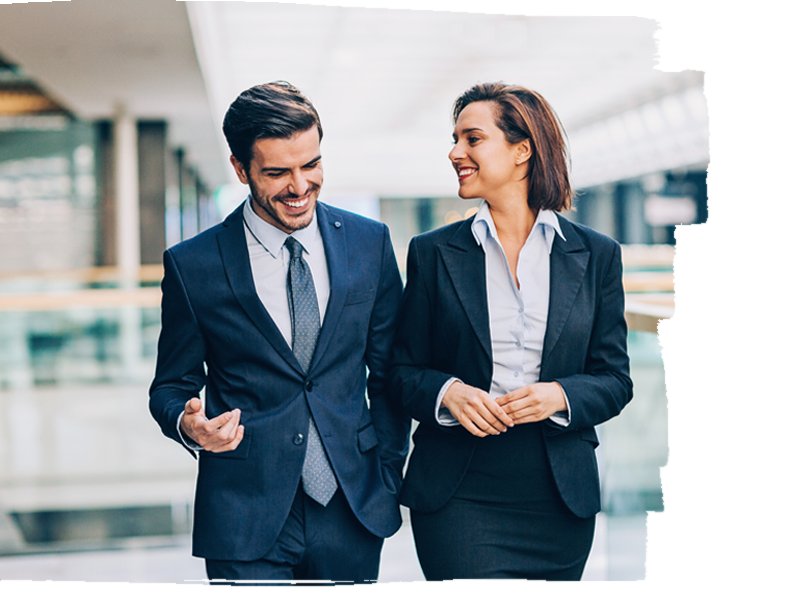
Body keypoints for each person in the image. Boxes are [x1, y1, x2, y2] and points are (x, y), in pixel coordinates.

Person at [149, 81, 409, 583]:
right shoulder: (193, 265)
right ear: (240, 169)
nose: (299, 186)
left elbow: (390, 371)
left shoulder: (368, 243)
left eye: (310, 165)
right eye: (277, 172)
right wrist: (189, 426)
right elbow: (170, 385)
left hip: (351, 502)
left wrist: (387, 471)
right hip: (244, 509)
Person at [390, 82, 633, 580]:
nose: (455, 152)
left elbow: (615, 380)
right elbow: (399, 371)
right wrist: (448, 392)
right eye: (455, 139)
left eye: (472, 139)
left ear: (522, 150)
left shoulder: (596, 255)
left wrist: (558, 396)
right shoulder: (433, 253)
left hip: (558, 497)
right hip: (459, 491)